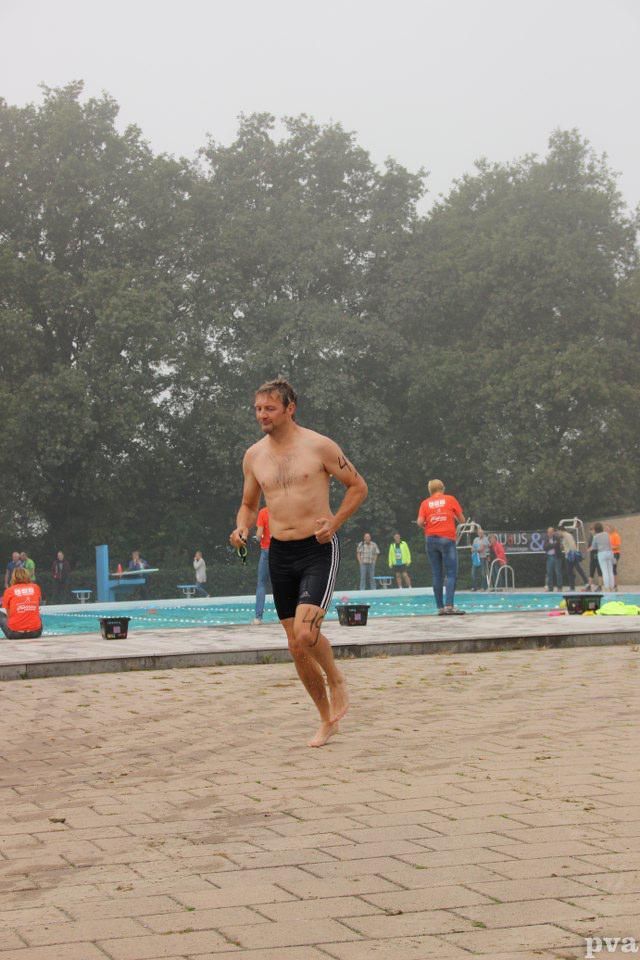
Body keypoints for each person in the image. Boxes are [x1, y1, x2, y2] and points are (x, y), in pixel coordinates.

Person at [229, 377, 367, 748]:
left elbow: (358, 486)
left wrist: (334, 522)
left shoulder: (319, 445)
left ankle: (336, 678)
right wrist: (241, 527)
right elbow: (248, 504)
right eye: (258, 409)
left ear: (290, 408)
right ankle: (326, 719)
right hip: (280, 553)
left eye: (270, 408)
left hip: (317, 548)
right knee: (294, 645)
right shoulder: (254, 455)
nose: (262, 415)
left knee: (307, 634)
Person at [417, 479, 465, 615]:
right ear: (442, 488)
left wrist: (429, 524)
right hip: (447, 539)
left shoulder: (425, 503)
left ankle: (440, 608)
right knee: (451, 574)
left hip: (431, 539)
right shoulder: (450, 499)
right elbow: (462, 520)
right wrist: (451, 517)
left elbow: (420, 522)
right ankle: (449, 606)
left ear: (430, 490)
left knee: (437, 574)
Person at [0, 567, 43, 639]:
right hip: (35, 633)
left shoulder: (9, 590)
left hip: (15, 634)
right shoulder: (35, 587)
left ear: (13, 577)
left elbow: (9, 613)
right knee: (36, 612)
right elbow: (38, 604)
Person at [253, 505, 271, 624]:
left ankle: (258, 618)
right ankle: (285, 617)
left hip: (266, 550)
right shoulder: (282, 510)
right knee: (281, 584)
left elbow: (259, 535)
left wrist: (257, 537)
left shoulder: (263, 512)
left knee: (261, 584)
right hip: (280, 551)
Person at [589, 522, 615, 592]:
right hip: (609, 552)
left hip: (602, 554)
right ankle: (612, 588)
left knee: (605, 571)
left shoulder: (595, 536)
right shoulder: (606, 534)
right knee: (610, 571)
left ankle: (607, 588)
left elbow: (594, 547)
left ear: (595, 529)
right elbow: (609, 544)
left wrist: (589, 549)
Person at [543, 527, 563, 592]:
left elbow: (557, 545)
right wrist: (552, 545)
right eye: (548, 532)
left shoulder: (557, 538)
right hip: (549, 557)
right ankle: (550, 588)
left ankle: (559, 587)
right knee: (549, 573)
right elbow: (545, 547)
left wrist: (550, 545)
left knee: (558, 572)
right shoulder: (546, 538)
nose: (549, 533)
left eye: (551, 532)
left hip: (556, 557)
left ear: (553, 532)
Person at [584, 525, 602, 592]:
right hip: (592, 556)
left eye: (592, 530)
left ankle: (600, 586)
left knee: (599, 571)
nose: (591, 532)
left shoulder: (598, 537)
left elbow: (598, 547)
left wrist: (591, 548)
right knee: (591, 571)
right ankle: (589, 585)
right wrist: (589, 549)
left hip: (598, 555)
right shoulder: (591, 537)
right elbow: (589, 547)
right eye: (590, 531)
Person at [607, 524, 622, 590]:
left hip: (615, 554)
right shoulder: (608, 536)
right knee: (609, 569)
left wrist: (610, 548)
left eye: (608, 528)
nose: (607, 529)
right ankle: (611, 584)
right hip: (609, 554)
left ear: (611, 528)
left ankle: (615, 585)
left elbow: (618, 546)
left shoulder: (616, 535)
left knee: (613, 569)